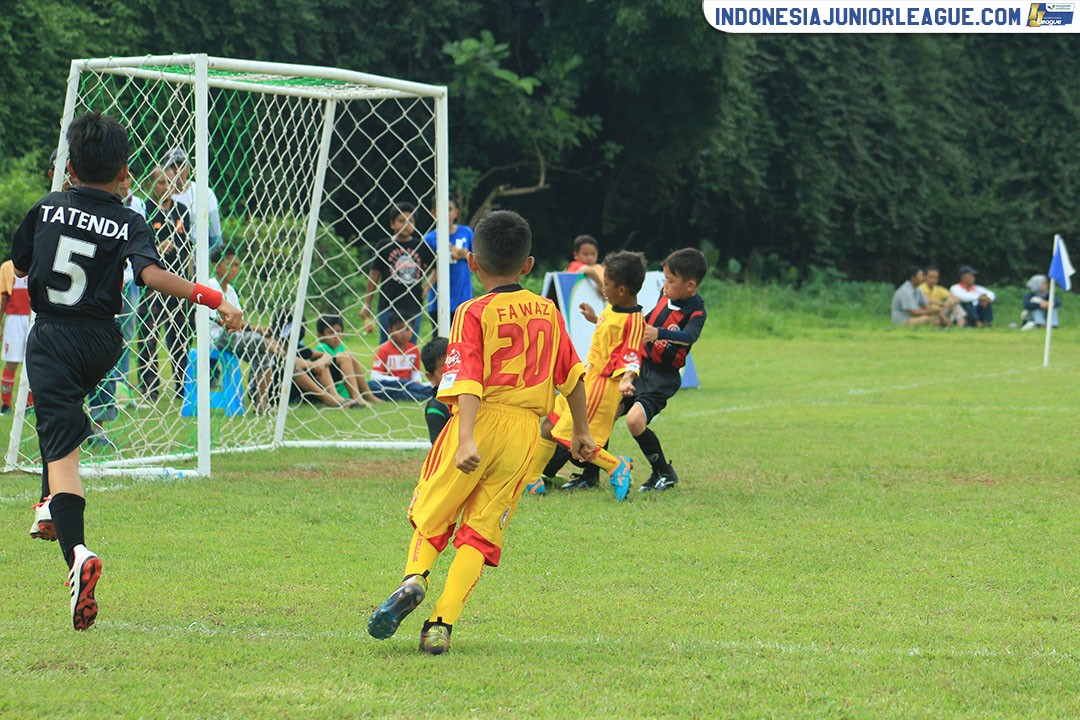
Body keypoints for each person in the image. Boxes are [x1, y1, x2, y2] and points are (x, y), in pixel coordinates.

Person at [14, 112, 242, 630]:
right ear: (124, 174)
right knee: (62, 422)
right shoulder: (130, 219)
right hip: (103, 342)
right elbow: (151, 275)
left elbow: (22, 265)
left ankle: (77, 554)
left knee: (63, 453)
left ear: (69, 168)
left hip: (52, 338)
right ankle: (47, 502)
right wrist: (214, 298)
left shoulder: (46, 209)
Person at [366, 209, 596, 655]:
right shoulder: (548, 311)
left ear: (472, 262)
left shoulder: (471, 311)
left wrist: (467, 436)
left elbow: (467, 377)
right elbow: (572, 375)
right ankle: (441, 625)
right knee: (480, 530)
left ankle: (415, 579)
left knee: (435, 511)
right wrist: (583, 432)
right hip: (524, 434)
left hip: (479, 418)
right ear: (528, 265)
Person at [524, 250, 645, 498]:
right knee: (550, 423)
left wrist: (627, 378)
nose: (603, 289)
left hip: (603, 386)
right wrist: (594, 318)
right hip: (587, 376)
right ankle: (533, 479)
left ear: (622, 290)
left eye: (607, 284)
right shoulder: (614, 308)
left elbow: (632, 353)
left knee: (574, 437)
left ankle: (616, 466)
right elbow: (610, 331)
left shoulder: (634, 321)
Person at [620, 248, 708, 492]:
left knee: (634, 421)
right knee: (604, 411)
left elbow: (689, 337)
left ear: (690, 286)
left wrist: (658, 333)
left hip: (663, 377)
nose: (665, 285)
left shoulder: (697, 312)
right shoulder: (664, 294)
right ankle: (591, 473)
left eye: (670, 280)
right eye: (665, 279)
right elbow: (651, 318)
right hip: (640, 366)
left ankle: (664, 472)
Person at [137, 165, 192, 400]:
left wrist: (191, 279)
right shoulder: (144, 210)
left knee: (180, 336)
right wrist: (157, 249)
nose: (167, 187)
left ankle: (182, 386)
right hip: (152, 284)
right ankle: (149, 387)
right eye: (161, 183)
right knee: (149, 335)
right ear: (151, 185)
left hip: (179, 282)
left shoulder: (182, 211)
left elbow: (190, 249)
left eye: (170, 182)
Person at [206, 247, 279, 414]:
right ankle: (280, 352)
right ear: (216, 265)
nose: (235, 269)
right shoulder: (211, 285)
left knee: (265, 355)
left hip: (234, 335)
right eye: (230, 264)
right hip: (217, 337)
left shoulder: (230, 291)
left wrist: (257, 330)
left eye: (237, 265)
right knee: (262, 342)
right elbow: (221, 320)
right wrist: (257, 330)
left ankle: (261, 403)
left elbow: (237, 320)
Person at [360, 202, 435, 343]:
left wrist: (426, 288)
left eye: (410, 221)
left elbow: (436, 268)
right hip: (388, 305)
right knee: (387, 345)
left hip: (413, 306)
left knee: (410, 346)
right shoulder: (384, 245)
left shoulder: (420, 246)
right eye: (401, 221)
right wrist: (367, 303)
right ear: (392, 224)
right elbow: (374, 275)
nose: (406, 225)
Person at [422, 198, 474, 327]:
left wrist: (464, 254)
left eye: (449, 209)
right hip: (438, 302)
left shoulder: (466, 232)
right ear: (434, 213)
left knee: (463, 338)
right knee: (441, 338)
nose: (446, 214)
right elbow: (425, 268)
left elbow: (479, 260)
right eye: (441, 210)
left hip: (463, 300)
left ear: (456, 212)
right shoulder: (429, 239)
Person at [164, 147, 223, 251]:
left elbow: (215, 234)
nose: (177, 171)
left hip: (200, 249)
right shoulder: (162, 197)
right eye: (173, 167)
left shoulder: (205, 193)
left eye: (181, 166)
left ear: (188, 168)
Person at [312, 314, 380, 405]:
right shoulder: (322, 348)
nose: (336, 336)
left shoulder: (340, 346)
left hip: (350, 385)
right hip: (338, 388)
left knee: (382, 385)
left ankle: (368, 395)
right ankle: (359, 397)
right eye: (331, 333)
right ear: (320, 336)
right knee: (380, 387)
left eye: (339, 332)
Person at [367, 314, 433, 401]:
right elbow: (375, 375)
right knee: (371, 385)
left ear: (413, 330)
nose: (404, 333)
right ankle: (424, 395)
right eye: (399, 329)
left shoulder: (414, 349)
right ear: (390, 331)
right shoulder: (384, 349)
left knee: (423, 386)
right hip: (391, 384)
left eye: (407, 329)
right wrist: (398, 380)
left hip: (410, 384)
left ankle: (423, 393)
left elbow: (415, 372)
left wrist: (416, 382)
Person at [0, 259, 32, 414]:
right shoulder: (7, 267)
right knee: (12, 362)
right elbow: (3, 295)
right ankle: (6, 404)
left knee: (33, 362)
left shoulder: (38, 260)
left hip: (34, 318)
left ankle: (30, 405)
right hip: (14, 319)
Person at [419, 337, 450, 443]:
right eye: (445, 372)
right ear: (430, 377)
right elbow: (440, 448)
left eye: (456, 368)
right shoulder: (436, 408)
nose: (453, 376)